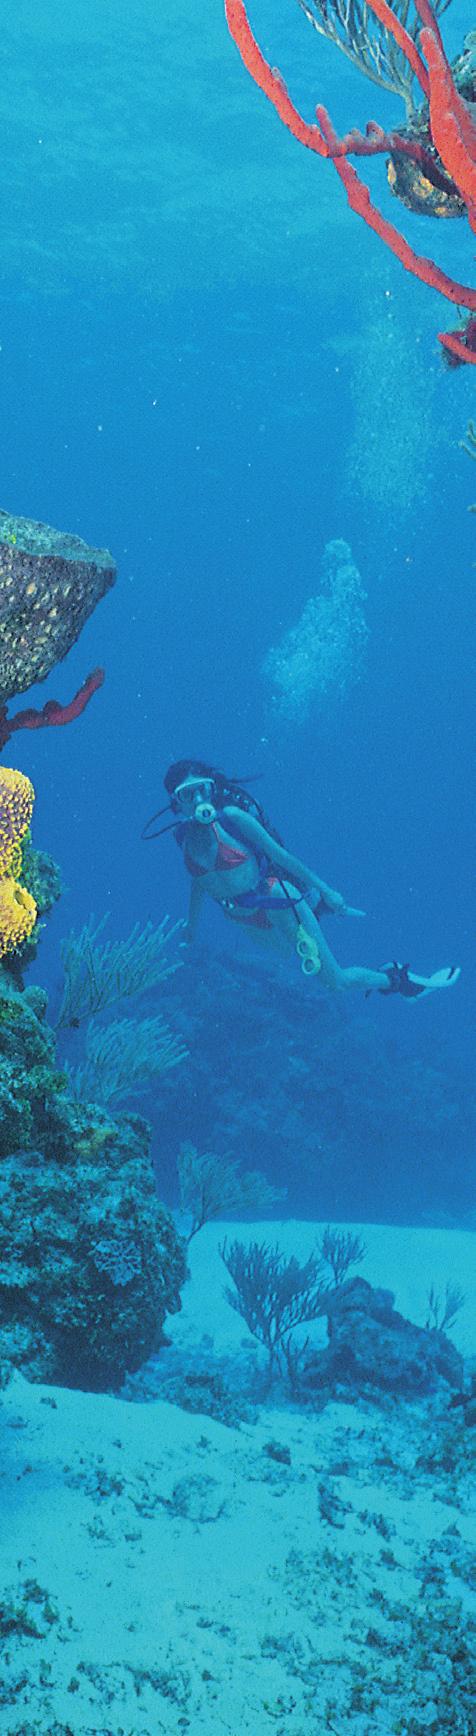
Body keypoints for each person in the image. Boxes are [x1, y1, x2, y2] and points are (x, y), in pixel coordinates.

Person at [145, 760, 460, 1001]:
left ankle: (398, 981)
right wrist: (191, 927)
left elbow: (283, 858)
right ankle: (317, 914)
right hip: (242, 918)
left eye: (203, 789)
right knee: (297, 961)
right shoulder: (182, 838)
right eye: (189, 794)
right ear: (177, 803)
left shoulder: (234, 819)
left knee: (335, 982)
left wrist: (328, 890)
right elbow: (199, 882)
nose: (199, 798)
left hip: (276, 900)